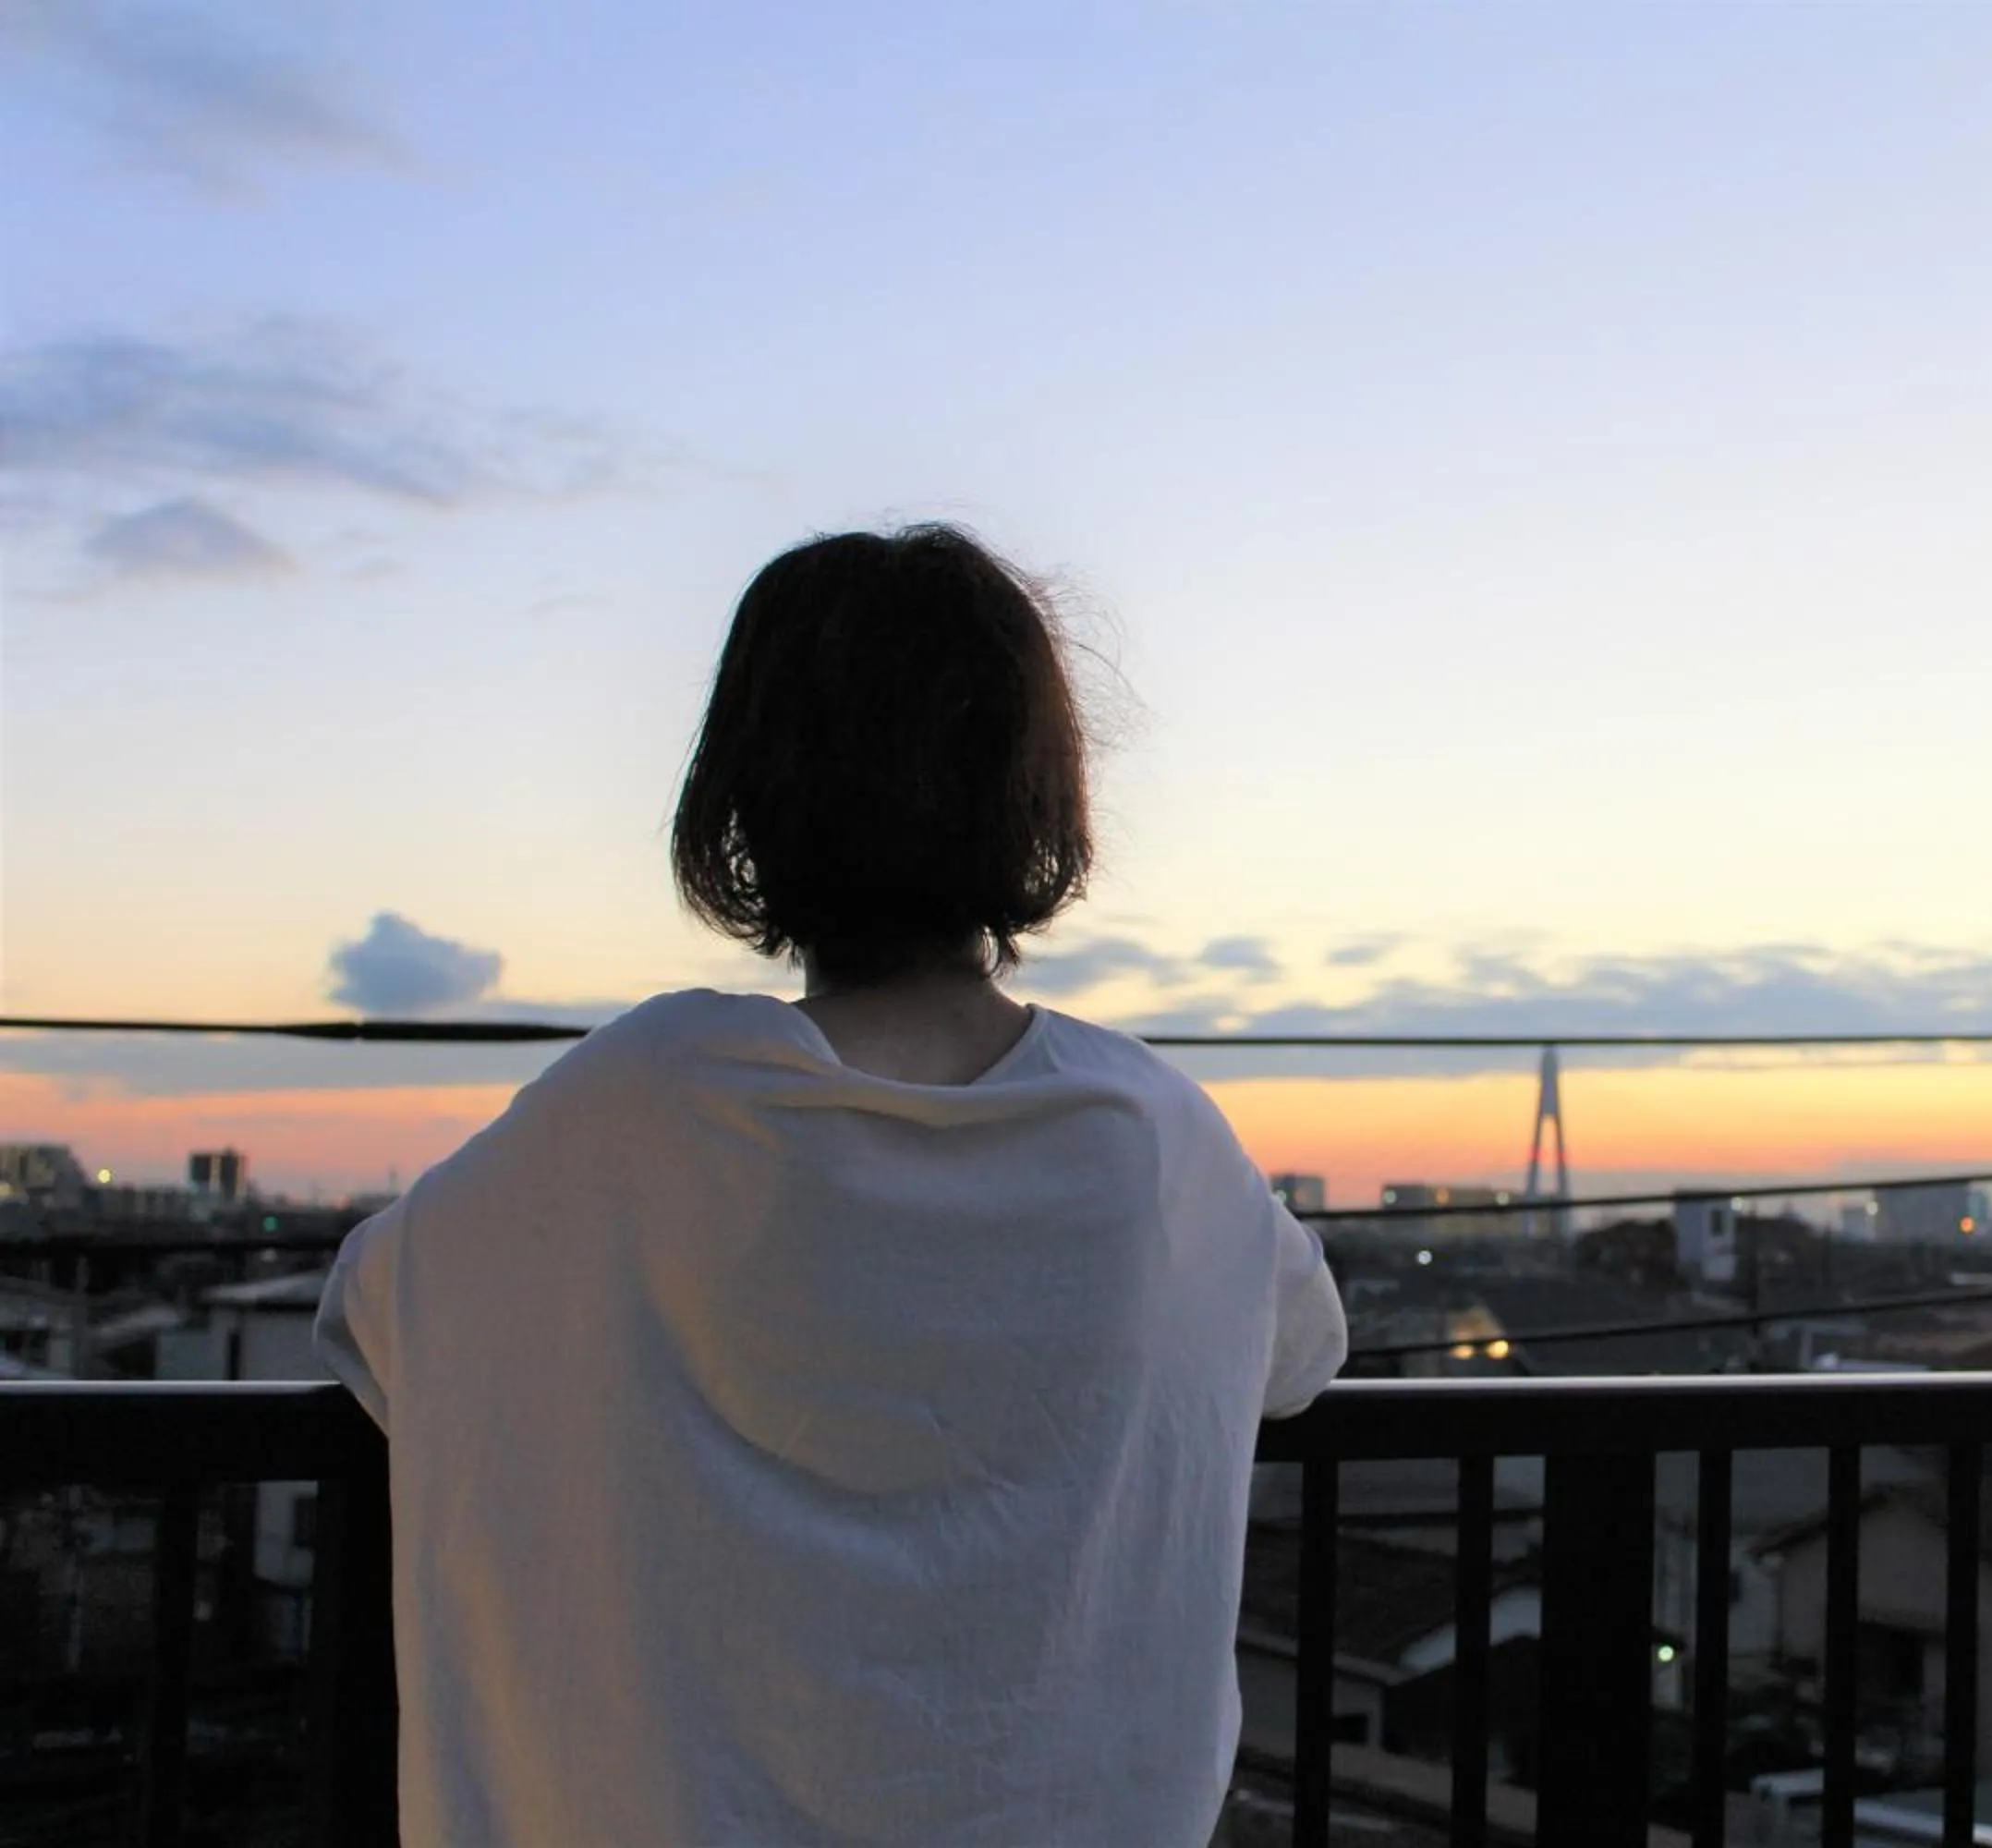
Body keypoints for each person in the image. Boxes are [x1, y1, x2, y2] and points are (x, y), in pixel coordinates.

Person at [314, 524, 1351, 1846]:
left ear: (747, 799)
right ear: (1037, 795)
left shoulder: (642, 1109)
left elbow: (376, 1311)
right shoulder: (1156, 1140)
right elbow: (1301, 1348)